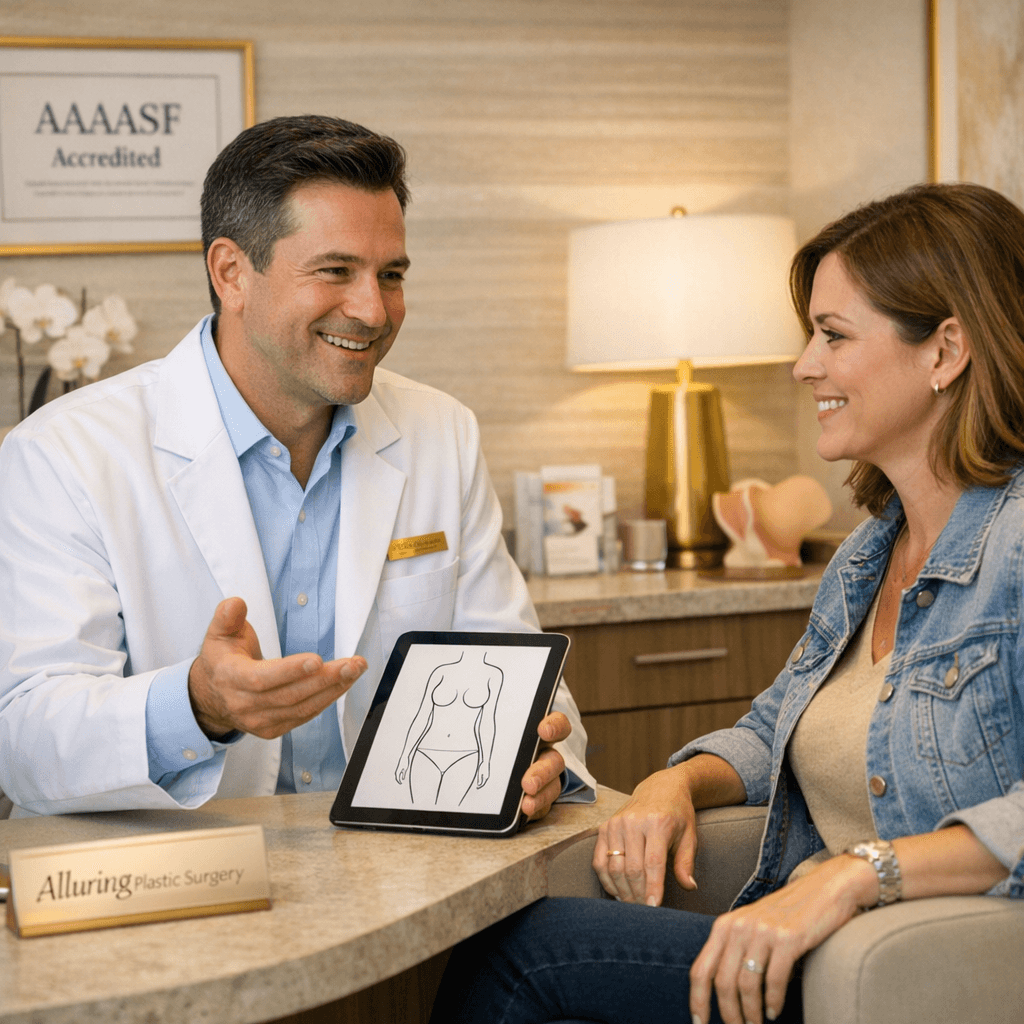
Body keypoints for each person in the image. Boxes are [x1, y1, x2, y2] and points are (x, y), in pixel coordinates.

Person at [429, 181, 1024, 1024]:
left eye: (833, 335)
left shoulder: (1016, 546)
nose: (803, 365)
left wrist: (861, 874)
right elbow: (768, 729)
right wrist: (670, 787)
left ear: (945, 350)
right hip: (805, 944)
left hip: (906, 962)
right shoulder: (867, 556)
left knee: (527, 956)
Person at [0, 115, 594, 818]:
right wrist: (200, 704)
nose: (373, 310)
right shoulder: (64, 453)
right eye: (336, 271)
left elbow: (516, 666)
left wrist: (544, 754)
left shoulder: (441, 433)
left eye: (391, 275)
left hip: (412, 869)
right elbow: (24, 739)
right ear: (231, 273)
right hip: (178, 884)